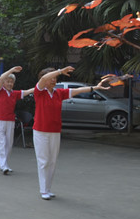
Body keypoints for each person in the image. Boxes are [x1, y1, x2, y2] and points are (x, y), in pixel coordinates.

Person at [33, 66, 110, 200]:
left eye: (55, 78)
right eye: (51, 78)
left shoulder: (59, 93)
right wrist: (60, 71)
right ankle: (43, 190)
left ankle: (48, 189)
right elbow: (44, 78)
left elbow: (77, 90)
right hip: (40, 131)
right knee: (44, 161)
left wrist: (95, 88)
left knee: (52, 161)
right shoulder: (39, 92)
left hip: (55, 131)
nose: (53, 80)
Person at [0, 66, 34, 175]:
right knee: (1, 143)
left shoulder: (14, 93)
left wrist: (39, 87)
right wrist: (11, 70)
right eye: (8, 81)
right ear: (3, 83)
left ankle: (5, 164)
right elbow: (1, 78)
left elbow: (27, 92)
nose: (10, 84)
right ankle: (3, 166)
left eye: (12, 82)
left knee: (9, 144)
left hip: (10, 121)